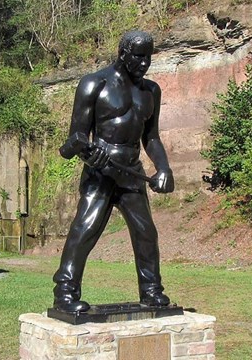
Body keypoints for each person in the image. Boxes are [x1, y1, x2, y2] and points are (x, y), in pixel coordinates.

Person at [53, 30, 175, 313]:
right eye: (139, 57)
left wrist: (164, 167)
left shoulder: (151, 91)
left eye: (149, 57)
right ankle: (65, 293)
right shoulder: (94, 84)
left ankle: (152, 291)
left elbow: (152, 138)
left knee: (146, 233)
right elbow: (76, 138)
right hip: (101, 172)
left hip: (132, 171)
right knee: (85, 229)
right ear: (123, 54)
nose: (145, 63)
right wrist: (88, 153)